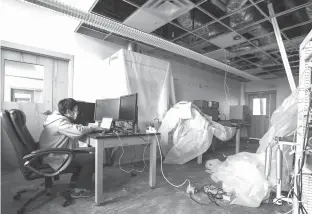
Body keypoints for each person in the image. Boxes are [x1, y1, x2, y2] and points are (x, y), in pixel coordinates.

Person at [39, 98, 104, 198]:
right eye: (76, 110)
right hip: (54, 157)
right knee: (91, 158)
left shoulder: (54, 119)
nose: (77, 113)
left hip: (49, 154)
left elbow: (72, 127)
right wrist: (93, 127)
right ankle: (79, 190)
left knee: (84, 155)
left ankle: (75, 186)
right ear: (68, 111)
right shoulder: (60, 122)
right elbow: (77, 131)